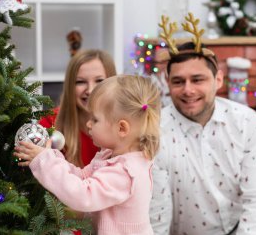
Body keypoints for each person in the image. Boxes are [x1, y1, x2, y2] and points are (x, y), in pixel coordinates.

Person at [149, 37, 256, 235]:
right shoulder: (154, 132)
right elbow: (157, 213)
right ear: (167, 83)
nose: (188, 90)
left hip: (247, 224)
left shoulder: (246, 122)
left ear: (218, 80)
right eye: (178, 81)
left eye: (197, 79)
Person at [15, 75, 161, 235]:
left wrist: (45, 161)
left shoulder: (125, 172)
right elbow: (82, 177)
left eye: (95, 119)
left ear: (122, 129)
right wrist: (51, 157)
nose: (88, 124)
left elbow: (83, 195)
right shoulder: (109, 156)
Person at [39, 49, 116, 166]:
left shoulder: (125, 127)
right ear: (70, 86)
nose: (90, 90)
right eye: (80, 82)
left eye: (99, 81)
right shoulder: (50, 123)